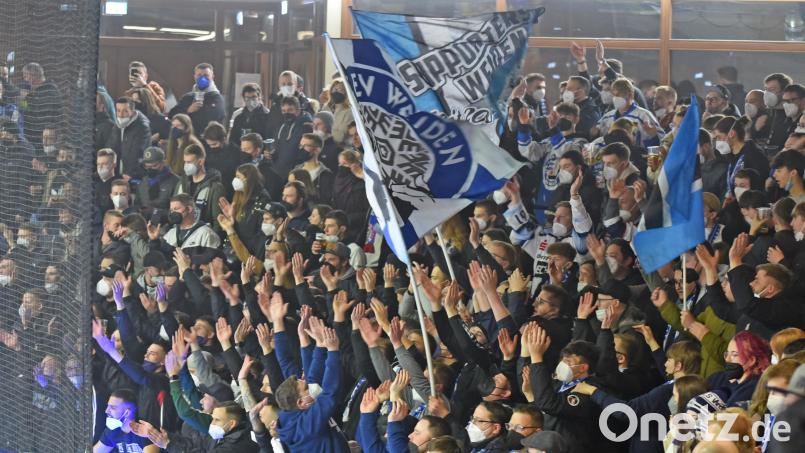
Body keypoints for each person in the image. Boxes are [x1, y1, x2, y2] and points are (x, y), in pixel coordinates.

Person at [275, 321, 350, 452]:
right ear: (301, 402)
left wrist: (319, 345)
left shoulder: (290, 416)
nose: (310, 387)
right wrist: (333, 351)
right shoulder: (305, 425)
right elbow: (329, 395)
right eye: (306, 389)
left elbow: (312, 379)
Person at [173, 144, 225, 225]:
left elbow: (217, 219)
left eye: (189, 162)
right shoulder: (181, 184)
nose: (186, 165)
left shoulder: (215, 187)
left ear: (200, 162)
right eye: (185, 162)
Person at [93, 389, 160, 453]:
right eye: (108, 406)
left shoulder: (146, 430)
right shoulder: (112, 430)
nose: (107, 411)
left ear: (127, 413)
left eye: (113, 407)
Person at [169, 63, 226, 136]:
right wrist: (188, 110)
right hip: (188, 138)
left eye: (206, 75)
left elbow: (215, 116)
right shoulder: (188, 97)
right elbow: (172, 114)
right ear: (195, 77)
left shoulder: (217, 98)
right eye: (199, 75)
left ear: (212, 77)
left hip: (208, 140)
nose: (202, 78)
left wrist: (196, 112)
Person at [106, 97, 152, 181]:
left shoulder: (142, 127)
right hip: (116, 172)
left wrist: (129, 174)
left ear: (133, 111)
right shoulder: (117, 125)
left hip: (133, 175)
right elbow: (111, 146)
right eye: (118, 111)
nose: (121, 115)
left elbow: (137, 153)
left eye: (125, 111)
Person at [20, 62, 62, 145]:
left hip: (44, 137)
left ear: (32, 75)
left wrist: (50, 127)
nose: (25, 80)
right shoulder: (31, 92)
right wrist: (23, 99)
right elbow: (24, 109)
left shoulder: (50, 90)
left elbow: (53, 113)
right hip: (30, 137)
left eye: (25, 76)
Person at [273, 96, 313, 177]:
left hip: (295, 173)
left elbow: (306, 152)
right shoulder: (282, 126)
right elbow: (278, 148)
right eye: (284, 111)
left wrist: (295, 167)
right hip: (279, 172)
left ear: (298, 110)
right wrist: (272, 155)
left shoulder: (306, 126)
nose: (286, 113)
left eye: (290, 110)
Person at [135, 147, 178, 219]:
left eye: (154, 166)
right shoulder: (143, 182)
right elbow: (137, 204)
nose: (150, 169)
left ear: (164, 162)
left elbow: (177, 211)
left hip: (165, 225)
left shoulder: (175, 182)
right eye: (147, 166)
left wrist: (155, 212)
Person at [201, 121, 241, 199]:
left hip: (229, 192)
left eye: (215, 144)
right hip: (210, 191)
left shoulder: (236, 152)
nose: (212, 147)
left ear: (224, 139)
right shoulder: (207, 150)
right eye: (210, 145)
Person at [240, 132, 282, 201]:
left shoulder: (270, 171)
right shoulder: (240, 167)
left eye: (246, 149)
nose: (243, 153)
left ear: (257, 150)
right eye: (242, 150)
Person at [229, 83, 273, 147]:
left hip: (259, 153)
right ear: (244, 99)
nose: (251, 100)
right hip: (242, 153)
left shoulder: (267, 115)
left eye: (253, 97)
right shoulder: (239, 117)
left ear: (259, 97)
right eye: (247, 98)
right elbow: (233, 140)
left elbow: (269, 138)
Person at [294, 132, 334, 200]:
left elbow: (324, 200)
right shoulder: (296, 169)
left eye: (305, 146)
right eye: (300, 145)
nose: (301, 148)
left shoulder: (325, 175)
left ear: (317, 150)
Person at [320, 79, 354, 147]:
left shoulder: (349, 112)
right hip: (323, 146)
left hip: (339, 148)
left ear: (346, 93)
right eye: (335, 89)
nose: (336, 92)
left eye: (340, 90)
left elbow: (340, 136)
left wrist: (324, 130)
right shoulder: (326, 107)